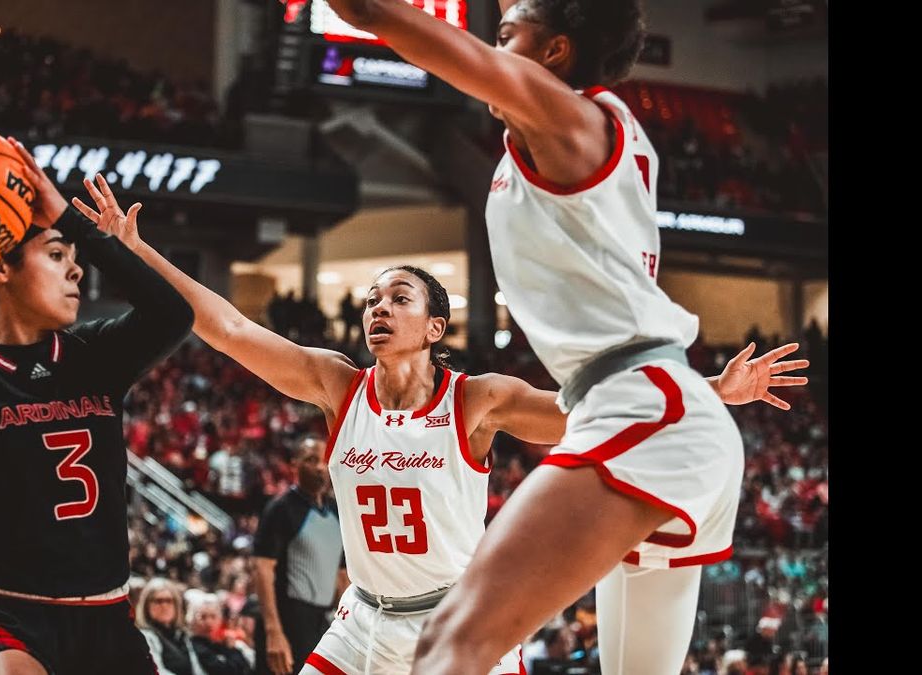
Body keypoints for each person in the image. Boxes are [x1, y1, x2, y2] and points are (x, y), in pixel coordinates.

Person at [70, 175, 801, 675]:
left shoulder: (477, 398)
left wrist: (712, 389)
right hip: (363, 619)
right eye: (370, 300)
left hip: (459, 617)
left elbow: (590, 413)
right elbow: (228, 326)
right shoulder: (336, 385)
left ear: (435, 327)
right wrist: (138, 254)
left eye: (397, 298)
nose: (376, 309)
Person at [320, 2, 811, 674]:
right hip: (667, 409)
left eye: (505, 36)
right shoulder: (597, 135)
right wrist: (709, 391)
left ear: (554, 53)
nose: (493, 48)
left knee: (449, 644)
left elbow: (381, 17)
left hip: (641, 412)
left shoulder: (564, 113)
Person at [0, 137, 193, 675]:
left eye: (73, 258)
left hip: (107, 618)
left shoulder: (93, 355)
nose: (76, 272)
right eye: (56, 255)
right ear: (0, 267)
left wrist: (68, 222)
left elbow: (173, 314)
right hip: (1, 616)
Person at [252, 437, 347, 675]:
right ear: (294, 464)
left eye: (325, 460)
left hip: (321, 621)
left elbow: (342, 574)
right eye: (311, 459)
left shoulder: (337, 510)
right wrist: (273, 632)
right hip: (287, 620)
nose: (319, 467)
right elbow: (262, 570)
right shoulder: (281, 508)